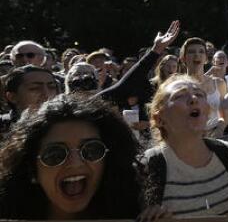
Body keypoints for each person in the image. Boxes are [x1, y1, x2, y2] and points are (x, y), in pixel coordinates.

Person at [0, 94, 143, 219]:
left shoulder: (139, 214)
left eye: (92, 150)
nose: (75, 163)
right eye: (55, 154)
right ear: (31, 169)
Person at [140, 75, 228, 220]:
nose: (194, 98)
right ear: (159, 119)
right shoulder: (145, 167)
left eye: (200, 94)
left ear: (207, 111)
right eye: (180, 95)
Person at [180, 37, 228, 137]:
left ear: (206, 58)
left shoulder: (219, 83)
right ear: (183, 58)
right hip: (189, 139)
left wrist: (220, 129)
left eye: (201, 51)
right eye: (191, 52)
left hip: (217, 137)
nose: (197, 55)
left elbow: (224, 112)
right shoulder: (178, 87)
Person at [1, 65, 59, 134]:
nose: (46, 94)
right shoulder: (3, 127)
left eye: (51, 87)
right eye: (35, 88)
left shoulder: (65, 126)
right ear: (12, 97)